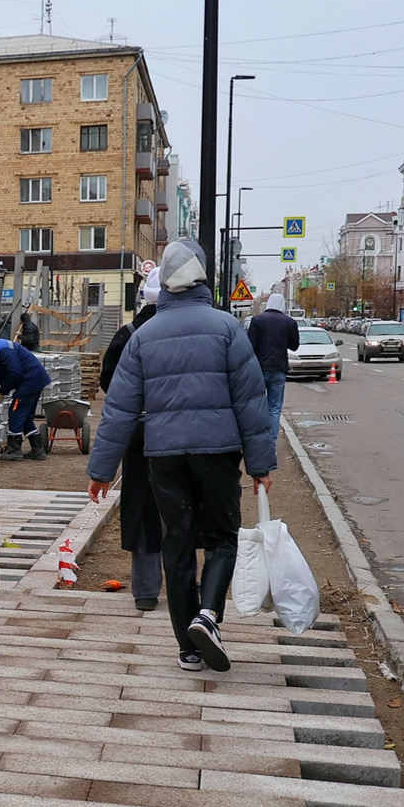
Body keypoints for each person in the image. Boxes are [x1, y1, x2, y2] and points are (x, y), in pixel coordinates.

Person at [86, 238, 276, 673]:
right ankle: (209, 615)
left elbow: (119, 409)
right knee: (222, 538)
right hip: (218, 452)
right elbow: (251, 401)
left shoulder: (143, 335)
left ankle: (188, 649)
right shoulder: (228, 328)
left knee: (177, 542)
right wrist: (260, 464)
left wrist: (101, 470)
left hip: (164, 456)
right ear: (203, 279)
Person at [100, 275, 163, 612]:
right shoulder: (204, 329)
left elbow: (109, 382)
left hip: (139, 435)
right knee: (185, 510)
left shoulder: (129, 334)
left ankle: (146, 591)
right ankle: (192, 593)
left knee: (143, 508)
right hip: (190, 436)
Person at [246, 291, 302, 431]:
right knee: (275, 408)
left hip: (259, 369)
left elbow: (249, 346)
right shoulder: (289, 322)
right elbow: (294, 346)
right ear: (282, 305)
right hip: (279, 368)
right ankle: (272, 441)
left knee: (256, 405)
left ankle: (258, 439)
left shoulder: (257, 320)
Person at [0, 332, 50, 461]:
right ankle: (37, 449)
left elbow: (14, 372)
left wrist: (2, 390)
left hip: (30, 381)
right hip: (35, 379)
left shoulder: (2, 350)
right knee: (26, 417)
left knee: (16, 412)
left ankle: (14, 450)